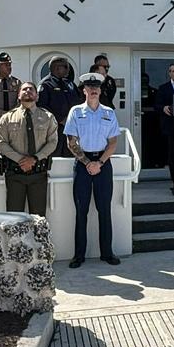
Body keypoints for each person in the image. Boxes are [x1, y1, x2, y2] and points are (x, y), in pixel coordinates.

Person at [64, 72, 121, 267]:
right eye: (90, 87)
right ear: (84, 90)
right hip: (83, 165)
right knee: (81, 211)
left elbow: (113, 142)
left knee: (104, 210)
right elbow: (71, 142)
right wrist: (88, 162)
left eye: (96, 87)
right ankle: (78, 255)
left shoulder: (109, 112)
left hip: (103, 165)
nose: (94, 90)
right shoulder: (76, 112)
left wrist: (100, 163)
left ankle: (107, 253)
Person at [0, 82, 58, 216]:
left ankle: (38, 238)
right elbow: (1, 143)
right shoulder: (7, 118)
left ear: (36, 95)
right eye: (24, 89)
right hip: (15, 174)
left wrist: (35, 159)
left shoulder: (47, 117)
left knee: (39, 218)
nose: (28, 91)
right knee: (13, 219)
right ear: (18, 95)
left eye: (31, 89)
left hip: (38, 175)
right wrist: (21, 160)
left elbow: (52, 142)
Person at [38, 56, 79, 157]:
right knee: (55, 156)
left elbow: (78, 100)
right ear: (56, 68)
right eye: (65, 67)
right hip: (54, 129)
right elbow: (41, 106)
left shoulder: (69, 83)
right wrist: (60, 119)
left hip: (70, 128)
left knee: (70, 154)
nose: (68, 70)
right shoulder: (46, 84)